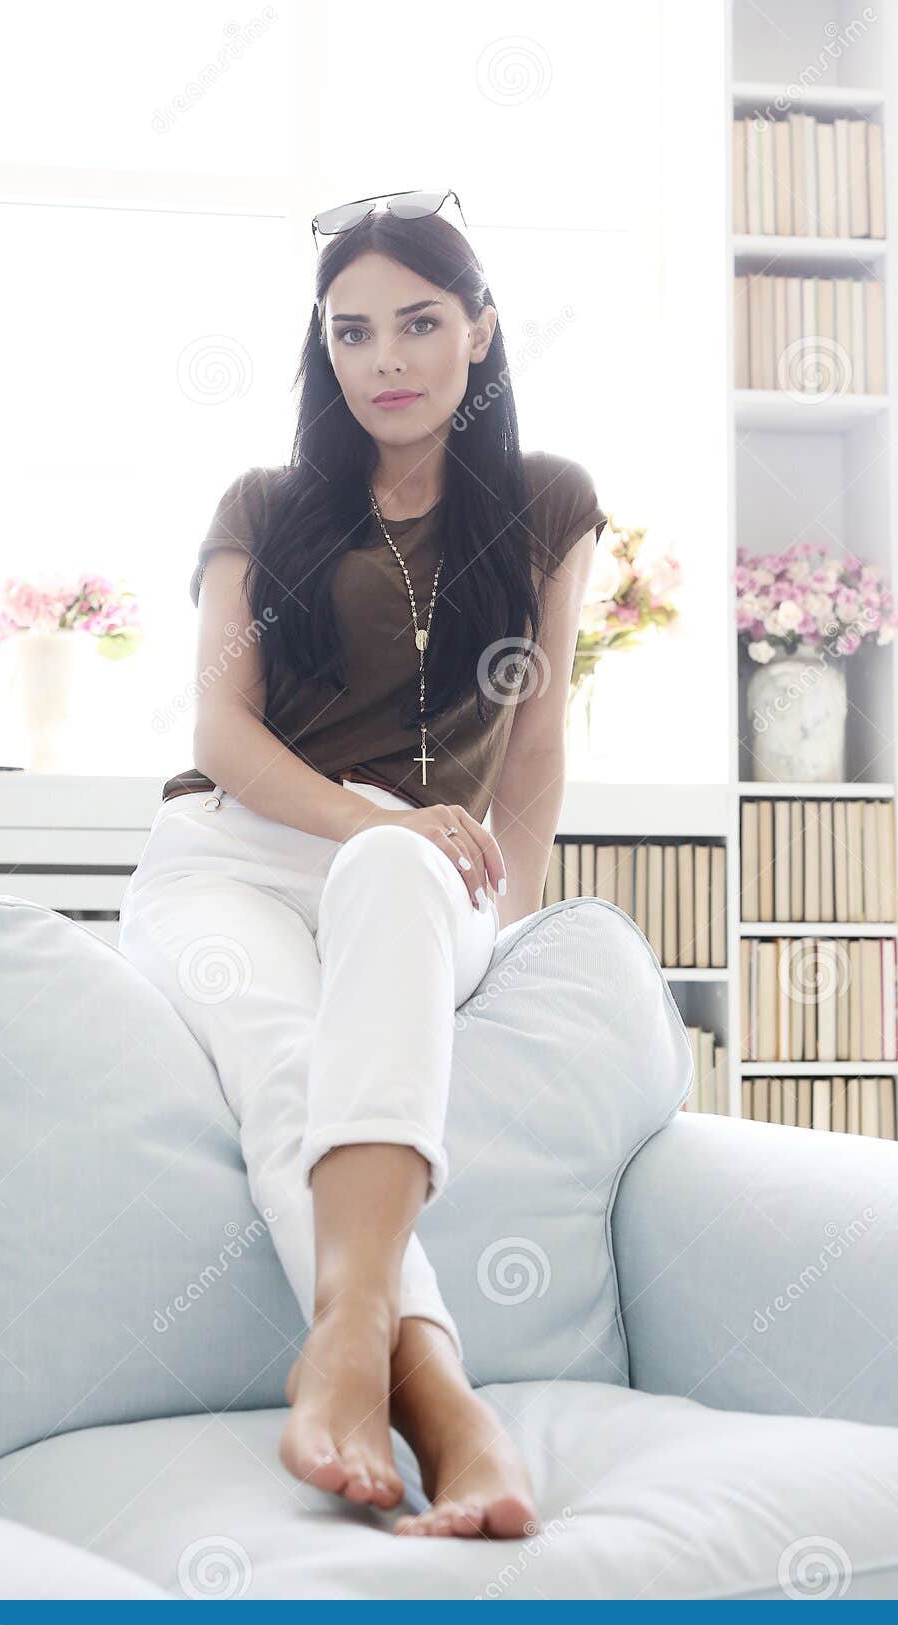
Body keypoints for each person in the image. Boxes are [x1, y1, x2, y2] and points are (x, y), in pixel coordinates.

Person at [118, 189, 607, 1540]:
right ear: (321, 351)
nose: (384, 359)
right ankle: (429, 1388)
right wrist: (379, 819)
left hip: (415, 874)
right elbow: (222, 731)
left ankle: (348, 1348)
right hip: (236, 855)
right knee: (289, 1068)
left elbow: (536, 739)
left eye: (418, 323)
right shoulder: (267, 504)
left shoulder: (550, 503)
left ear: (481, 331)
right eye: (351, 333)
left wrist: (494, 903)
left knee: (397, 882)